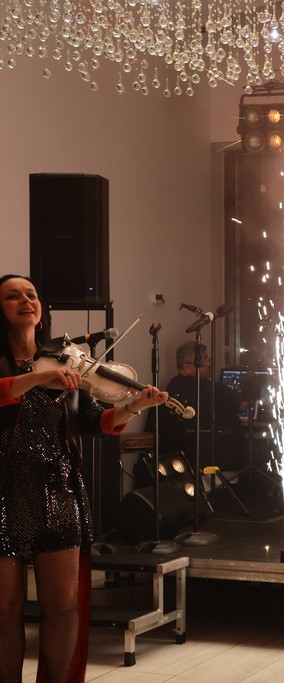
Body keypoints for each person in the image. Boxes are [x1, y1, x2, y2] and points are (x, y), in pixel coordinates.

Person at [0, 274, 167, 683]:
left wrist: (134, 406)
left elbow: (97, 423)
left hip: (58, 491)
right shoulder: (22, 368)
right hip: (3, 492)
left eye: (31, 294)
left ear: (42, 309)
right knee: (4, 611)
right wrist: (37, 378)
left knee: (63, 607)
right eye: (12, 296)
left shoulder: (68, 362)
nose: (25, 300)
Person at [160, 342, 247, 470]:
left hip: (178, 463)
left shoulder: (171, 386)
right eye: (204, 360)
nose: (209, 364)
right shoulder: (207, 389)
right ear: (187, 367)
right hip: (211, 463)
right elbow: (241, 405)